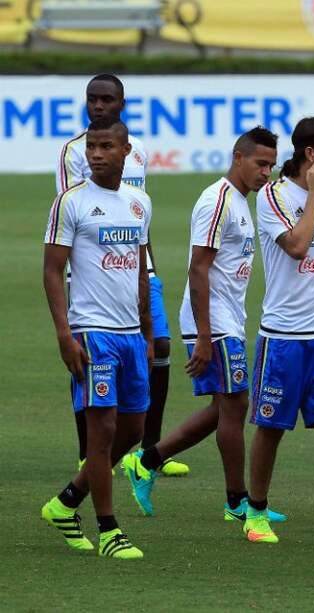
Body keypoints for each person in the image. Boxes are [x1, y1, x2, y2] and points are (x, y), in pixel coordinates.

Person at [122, 128, 285, 525]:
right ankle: (236, 501)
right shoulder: (216, 201)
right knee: (235, 405)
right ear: (238, 157)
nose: (266, 172)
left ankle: (148, 461)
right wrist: (205, 335)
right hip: (211, 318)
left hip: (226, 316)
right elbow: (198, 268)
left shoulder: (242, 202)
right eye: (260, 163)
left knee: (224, 407)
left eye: (271, 165)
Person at [55, 74, 185, 476]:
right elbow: (71, 211)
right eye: (92, 99)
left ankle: (148, 451)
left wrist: (151, 266)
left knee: (159, 345)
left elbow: (137, 213)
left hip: (137, 267)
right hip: (93, 268)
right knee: (87, 360)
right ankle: (88, 450)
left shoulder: (138, 150)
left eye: (106, 99)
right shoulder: (75, 151)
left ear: (122, 103)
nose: (97, 105)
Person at [41, 116, 153, 559]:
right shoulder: (71, 202)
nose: (96, 154)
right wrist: (64, 333)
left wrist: (146, 329)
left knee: (134, 429)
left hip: (129, 334)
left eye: (106, 146)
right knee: (102, 433)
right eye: (92, 147)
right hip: (92, 333)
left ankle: (66, 502)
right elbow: (52, 270)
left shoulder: (139, 201)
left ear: (126, 152)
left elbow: (140, 266)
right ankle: (109, 530)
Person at [243, 117, 314, 546]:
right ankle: (255, 510)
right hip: (284, 336)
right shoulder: (273, 196)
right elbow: (297, 246)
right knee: (271, 428)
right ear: (310, 155)